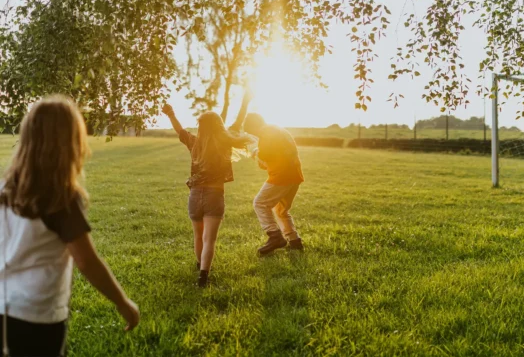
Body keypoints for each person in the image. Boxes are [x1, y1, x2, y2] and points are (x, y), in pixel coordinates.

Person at [0, 96, 140, 357]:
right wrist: (122, 302)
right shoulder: (59, 199)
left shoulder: (5, 191)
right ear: (71, 145)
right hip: (38, 318)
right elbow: (86, 261)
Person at [162, 92, 253, 287]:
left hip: (194, 195)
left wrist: (170, 114)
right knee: (209, 239)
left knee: (198, 236)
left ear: (201, 127)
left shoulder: (195, 143)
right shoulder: (225, 142)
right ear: (219, 126)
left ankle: (200, 264)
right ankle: (203, 276)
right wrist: (245, 101)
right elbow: (237, 122)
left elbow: (180, 130)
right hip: (214, 195)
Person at [243, 113, 305, 256]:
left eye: (252, 131)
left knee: (259, 203)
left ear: (254, 126)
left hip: (281, 176)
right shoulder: (278, 130)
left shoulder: (266, 132)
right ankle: (295, 242)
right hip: (294, 175)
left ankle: (275, 236)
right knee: (281, 210)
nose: (255, 135)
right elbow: (271, 159)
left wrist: (255, 152)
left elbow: (265, 155)